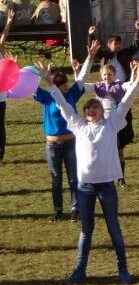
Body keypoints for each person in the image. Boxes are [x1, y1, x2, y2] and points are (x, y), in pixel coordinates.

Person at [43, 60, 139, 285]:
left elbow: (125, 102)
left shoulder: (111, 124)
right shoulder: (78, 125)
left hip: (106, 186)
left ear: (102, 112)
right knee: (86, 231)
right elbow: (64, 106)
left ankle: (122, 270)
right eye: (88, 108)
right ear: (84, 113)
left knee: (114, 228)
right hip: (84, 188)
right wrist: (50, 84)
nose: (92, 110)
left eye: (95, 107)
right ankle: (79, 270)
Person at [33, 48, 94, 222]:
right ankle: (58, 210)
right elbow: (30, 87)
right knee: (56, 179)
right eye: (63, 85)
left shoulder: (72, 94)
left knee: (74, 178)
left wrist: (90, 57)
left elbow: (82, 78)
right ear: (56, 87)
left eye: (66, 84)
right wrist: (38, 75)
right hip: (52, 145)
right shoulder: (47, 97)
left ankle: (76, 209)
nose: (66, 87)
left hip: (71, 143)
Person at [87, 22, 139, 185]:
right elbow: (93, 49)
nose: (116, 45)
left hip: (122, 88)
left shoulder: (125, 53)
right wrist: (91, 35)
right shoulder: (103, 55)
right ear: (108, 44)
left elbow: (136, 45)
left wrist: (138, 30)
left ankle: (124, 139)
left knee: (125, 115)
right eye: (113, 43)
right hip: (106, 92)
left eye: (118, 43)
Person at [0, 8, 15, 162]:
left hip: (0, 96)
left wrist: (9, 23)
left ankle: (0, 153)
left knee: (0, 124)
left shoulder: (0, 49)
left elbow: (3, 38)